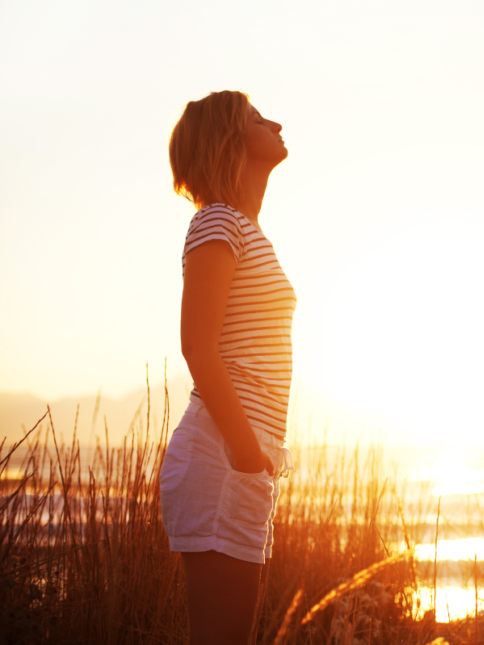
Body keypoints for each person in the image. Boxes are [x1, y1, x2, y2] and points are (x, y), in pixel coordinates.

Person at [160, 90, 296, 645]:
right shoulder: (217, 221)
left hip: (239, 456)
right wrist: (244, 450)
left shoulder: (240, 227)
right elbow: (198, 347)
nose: (276, 122)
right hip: (224, 455)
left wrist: (253, 455)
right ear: (229, 138)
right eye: (258, 118)